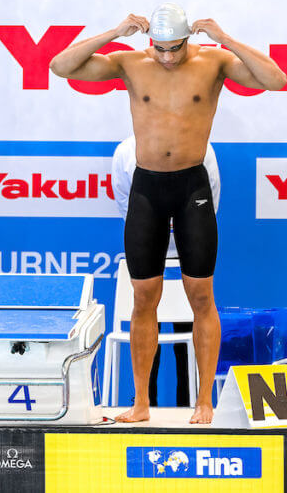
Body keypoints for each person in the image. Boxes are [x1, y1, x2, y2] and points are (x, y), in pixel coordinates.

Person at [50, 3, 287, 423]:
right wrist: (113, 31)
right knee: (144, 298)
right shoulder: (129, 62)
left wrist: (226, 38)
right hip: (147, 190)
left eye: (175, 48)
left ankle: (204, 402)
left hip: (191, 187)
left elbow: (276, 79)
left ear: (188, 40)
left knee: (200, 295)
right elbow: (61, 66)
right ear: (149, 42)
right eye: (160, 48)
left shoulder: (214, 61)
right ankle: (140, 404)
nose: (168, 57)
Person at [112, 135, 220, 409]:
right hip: (149, 247)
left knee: (197, 316)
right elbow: (128, 206)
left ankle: (200, 401)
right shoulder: (126, 151)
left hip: (189, 251)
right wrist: (155, 234)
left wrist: (185, 234)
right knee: (146, 311)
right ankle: (144, 402)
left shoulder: (202, 148)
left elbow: (210, 200)